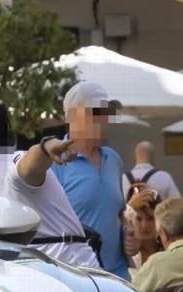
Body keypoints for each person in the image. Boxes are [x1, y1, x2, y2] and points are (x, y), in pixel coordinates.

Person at [52, 81, 129, 278]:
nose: (105, 119)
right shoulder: (54, 164)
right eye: (96, 113)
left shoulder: (113, 159)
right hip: (78, 278)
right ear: (73, 116)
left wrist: (129, 233)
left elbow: (118, 213)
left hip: (119, 277)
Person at [0, 121, 99, 268]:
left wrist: (45, 147)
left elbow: (28, 167)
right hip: (31, 276)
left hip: (73, 269)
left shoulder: (11, 165)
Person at [124, 188, 161, 271]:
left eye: (151, 219)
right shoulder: (124, 252)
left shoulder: (168, 250)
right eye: (139, 219)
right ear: (131, 220)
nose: (144, 225)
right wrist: (129, 207)